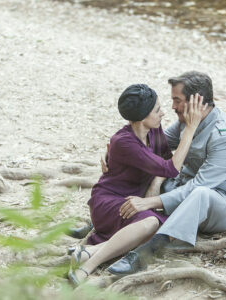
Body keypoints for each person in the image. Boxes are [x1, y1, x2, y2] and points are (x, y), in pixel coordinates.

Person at [107, 71, 226, 275]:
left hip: (223, 206)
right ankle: (110, 217)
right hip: (182, 188)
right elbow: (153, 146)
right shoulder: (186, 122)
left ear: (197, 101)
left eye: (177, 100)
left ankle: (147, 252)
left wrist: (149, 201)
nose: (172, 107)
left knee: (200, 194)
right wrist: (117, 155)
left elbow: (199, 186)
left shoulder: (225, 136)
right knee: (147, 167)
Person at [67, 84, 207, 285]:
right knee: (151, 223)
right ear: (143, 117)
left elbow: (165, 162)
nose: (163, 113)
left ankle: (89, 252)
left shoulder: (154, 130)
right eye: (157, 110)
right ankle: (90, 264)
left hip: (135, 201)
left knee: (164, 231)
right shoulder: (125, 142)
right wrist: (191, 128)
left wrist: (154, 184)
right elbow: (172, 167)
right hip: (109, 202)